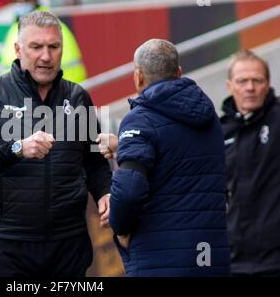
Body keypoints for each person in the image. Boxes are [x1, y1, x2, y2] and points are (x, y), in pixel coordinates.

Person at [0, 10, 111, 277]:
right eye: (36, 47)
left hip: (68, 243)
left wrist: (105, 192)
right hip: (9, 244)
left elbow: (94, 159)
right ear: (18, 49)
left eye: (53, 47)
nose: (46, 57)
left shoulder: (78, 98)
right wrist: (17, 149)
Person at [97, 39, 230, 276]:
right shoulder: (209, 116)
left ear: (138, 76)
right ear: (179, 72)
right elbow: (176, 151)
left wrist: (120, 229)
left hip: (160, 260)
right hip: (212, 257)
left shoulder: (140, 119)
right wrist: (124, 144)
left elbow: (129, 191)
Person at [220, 50, 280, 276]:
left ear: (268, 84)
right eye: (242, 81)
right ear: (229, 86)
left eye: (257, 80)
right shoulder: (218, 131)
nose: (250, 87)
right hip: (235, 260)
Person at [0, 0, 87, 83]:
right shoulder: (15, 27)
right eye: (16, 1)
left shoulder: (51, 27)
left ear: (36, 0)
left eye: (26, 0)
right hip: (18, 93)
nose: (21, 5)